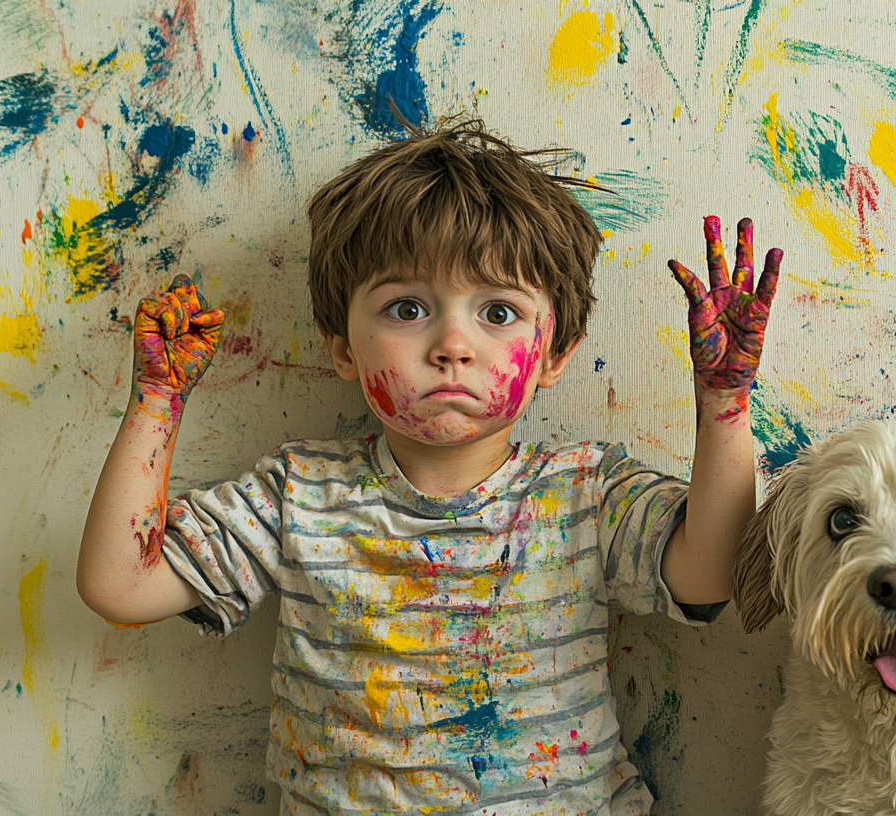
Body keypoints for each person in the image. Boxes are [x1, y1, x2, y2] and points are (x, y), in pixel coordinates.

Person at [76, 114, 782, 815]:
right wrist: (158, 404)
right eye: (407, 307)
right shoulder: (297, 493)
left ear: (556, 353)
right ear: (343, 347)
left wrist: (723, 402)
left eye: (498, 314)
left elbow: (711, 573)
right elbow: (121, 587)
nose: (452, 343)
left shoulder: (583, 491)